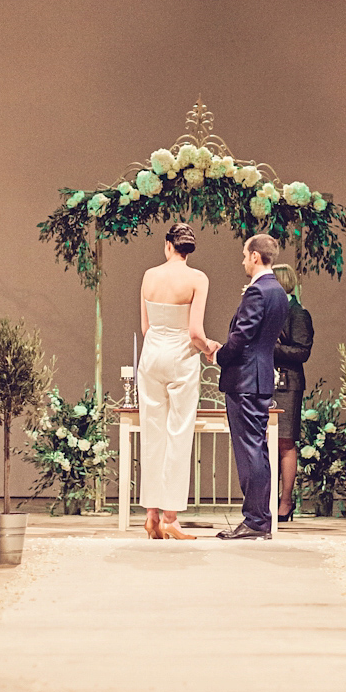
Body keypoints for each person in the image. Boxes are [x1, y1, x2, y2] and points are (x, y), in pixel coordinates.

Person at [137, 223, 216, 539]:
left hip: (152, 355)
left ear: (168, 245)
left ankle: (151, 515)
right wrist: (210, 349)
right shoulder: (197, 279)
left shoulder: (149, 276)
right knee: (178, 433)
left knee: (152, 432)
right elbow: (195, 332)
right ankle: (171, 518)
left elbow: (146, 327)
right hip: (181, 357)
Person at [212, 235, 289, 541]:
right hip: (259, 378)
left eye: (245, 255)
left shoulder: (258, 291)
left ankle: (256, 519)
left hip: (245, 380)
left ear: (256, 257)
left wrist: (219, 354)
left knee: (249, 452)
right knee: (257, 449)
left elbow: (242, 337)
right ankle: (260, 518)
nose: (243, 260)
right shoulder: (279, 292)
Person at [271, 264, 314, 523]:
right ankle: (267, 500)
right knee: (267, 443)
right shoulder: (270, 311)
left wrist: (272, 347)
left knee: (285, 442)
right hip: (267, 381)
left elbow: (302, 352)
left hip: (288, 384)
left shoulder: (298, 313)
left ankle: (286, 502)